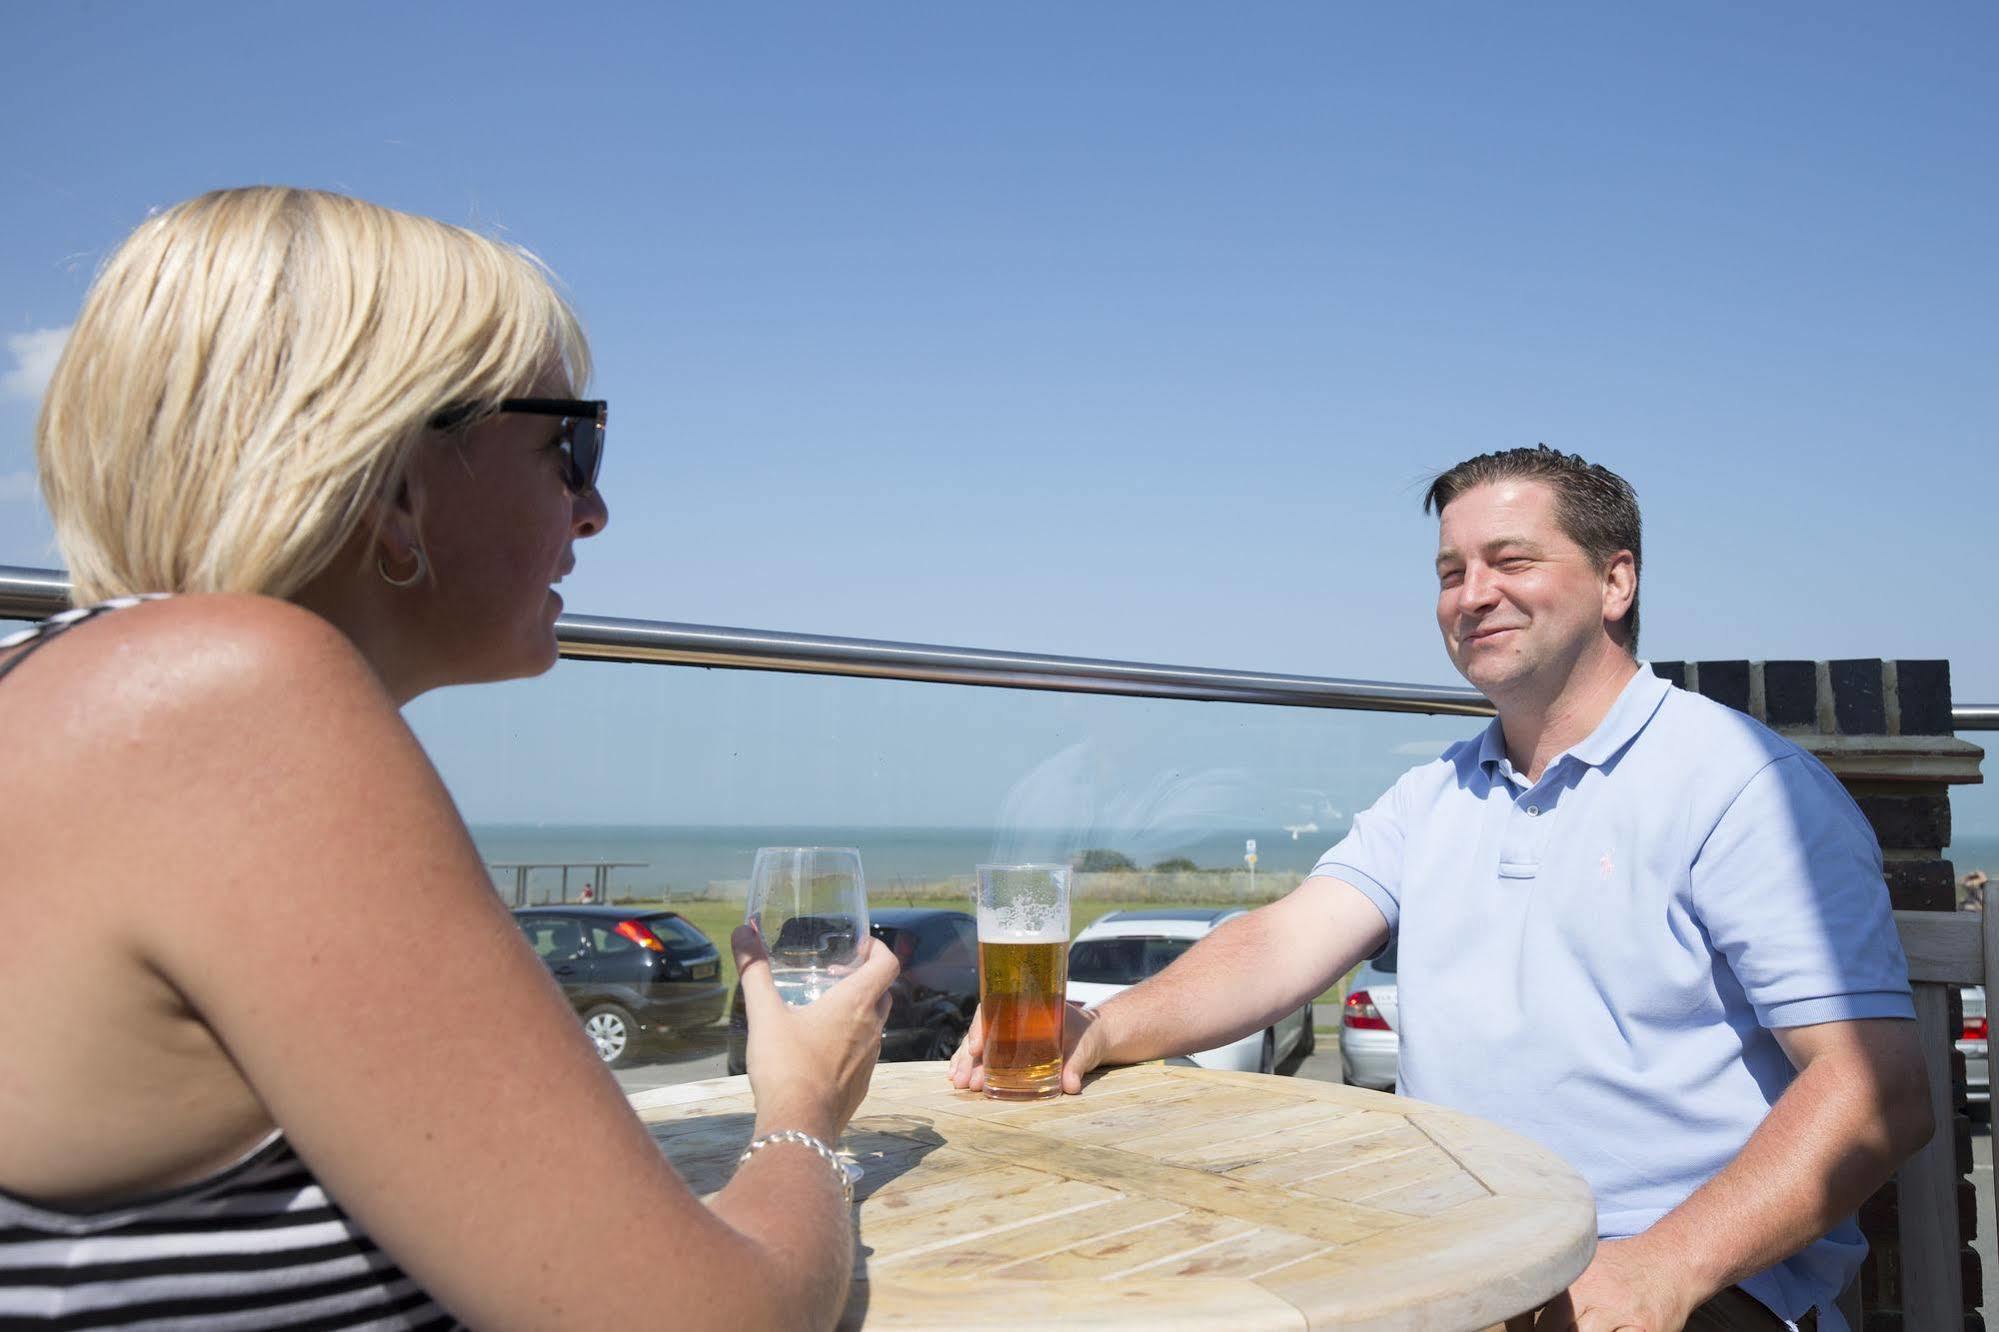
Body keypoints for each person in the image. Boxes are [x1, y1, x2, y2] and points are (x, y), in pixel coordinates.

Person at [0, 186, 897, 1330]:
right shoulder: (227, 698)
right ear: (393, 479)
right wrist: (805, 1113)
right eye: (570, 447)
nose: (597, 510)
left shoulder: (76, 685)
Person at [951, 445, 1932, 1331]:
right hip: (1446, 1262)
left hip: (1672, 1281)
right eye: (1450, 572)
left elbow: (1874, 1088)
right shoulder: (1436, 794)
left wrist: (1663, 1269)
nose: (1472, 595)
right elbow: (1282, 943)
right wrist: (1107, 1027)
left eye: (1510, 562)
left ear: (1615, 580)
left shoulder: (1741, 787)